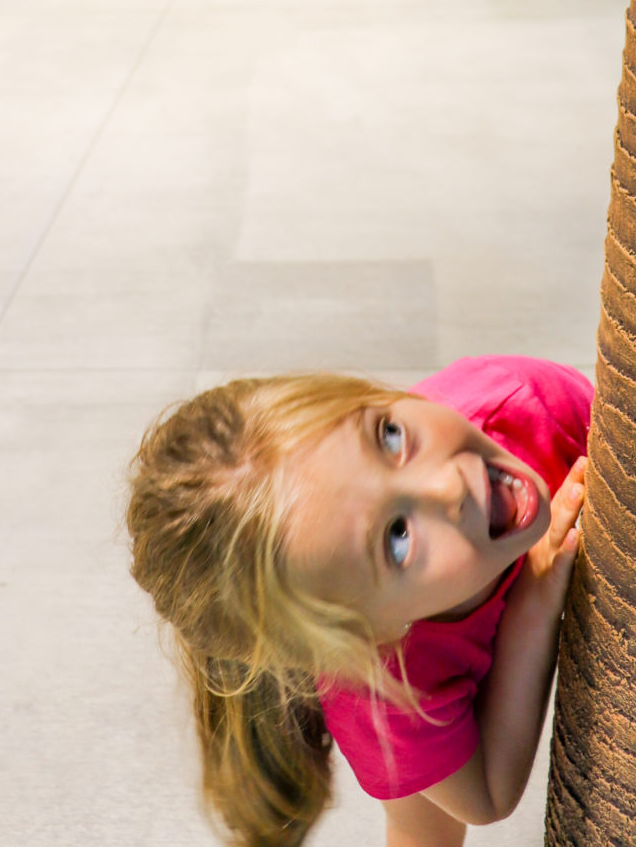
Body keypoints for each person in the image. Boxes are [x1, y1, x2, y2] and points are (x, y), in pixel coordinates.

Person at [126, 355, 592, 847]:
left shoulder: (524, 403)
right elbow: (487, 794)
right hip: (413, 673)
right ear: (365, 635)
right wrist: (534, 600)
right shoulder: (385, 693)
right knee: (423, 828)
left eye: (389, 436)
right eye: (396, 538)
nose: (450, 485)